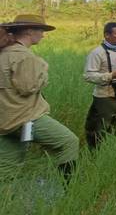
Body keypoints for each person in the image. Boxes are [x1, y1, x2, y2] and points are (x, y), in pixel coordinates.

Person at [0, 14, 78, 181]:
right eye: (41, 30)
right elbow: (28, 87)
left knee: (7, 169)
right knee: (69, 142)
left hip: (5, 120)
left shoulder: (4, 53)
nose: (43, 35)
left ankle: (6, 203)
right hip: (26, 118)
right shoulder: (24, 56)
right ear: (29, 31)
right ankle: (70, 187)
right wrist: (43, 68)